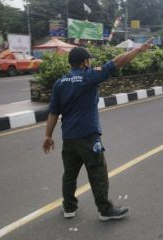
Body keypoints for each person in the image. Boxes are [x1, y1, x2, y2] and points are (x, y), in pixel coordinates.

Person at [42, 38, 153, 221]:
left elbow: (53, 112)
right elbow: (117, 62)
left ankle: (69, 207)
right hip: (88, 137)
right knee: (98, 173)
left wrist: (47, 135)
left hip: (69, 138)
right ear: (85, 62)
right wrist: (139, 50)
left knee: (69, 174)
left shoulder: (60, 83)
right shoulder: (89, 76)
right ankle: (105, 210)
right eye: (89, 60)